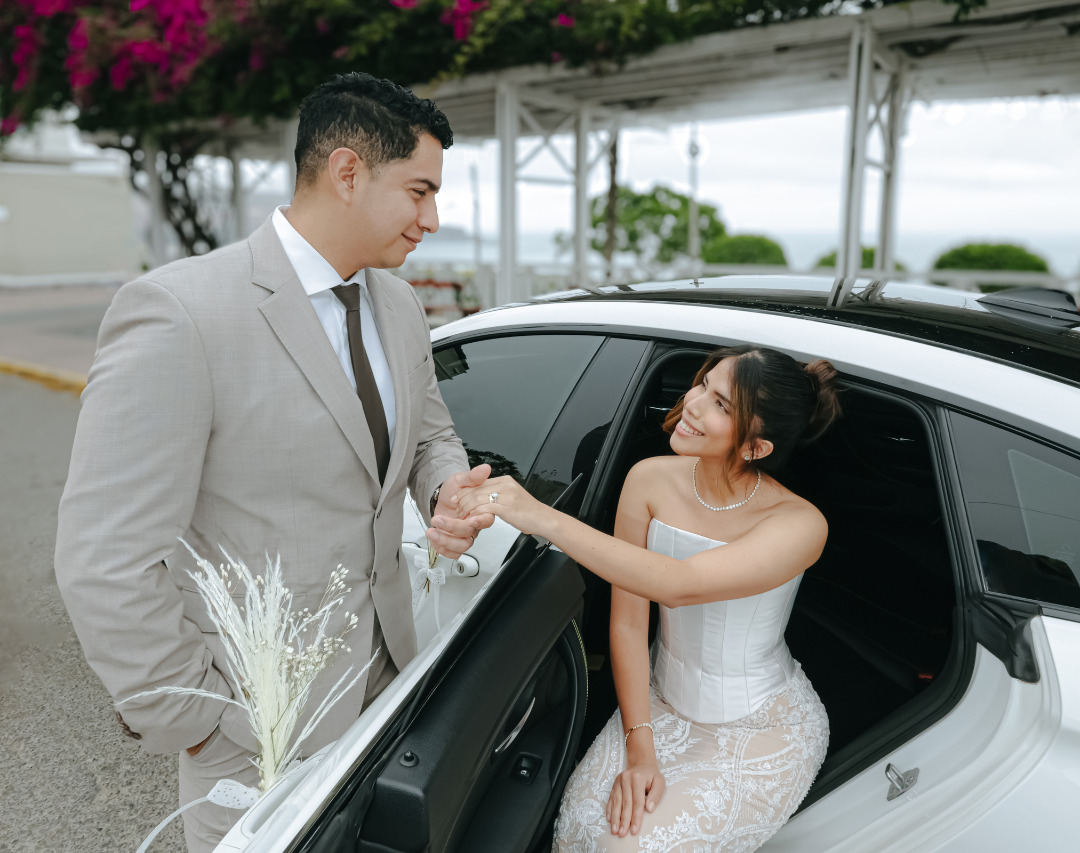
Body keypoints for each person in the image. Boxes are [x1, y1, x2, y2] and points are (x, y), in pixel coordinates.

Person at [54, 72, 491, 852]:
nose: (432, 219)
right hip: (255, 722)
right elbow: (103, 557)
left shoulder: (399, 304)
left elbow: (430, 436)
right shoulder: (180, 312)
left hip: (393, 682)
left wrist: (445, 490)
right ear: (348, 172)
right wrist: (200, 719)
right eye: (419, 191)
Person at [455, 345, 841, 852]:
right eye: (703, 384)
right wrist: (640, 745)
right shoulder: (648, 478)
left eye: (721, 405)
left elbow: (677, 584)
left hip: (759, 726)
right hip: (654, 701)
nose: (693, 403)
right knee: (581, 833)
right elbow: (630, 623)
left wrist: (541, 516)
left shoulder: (799, 524)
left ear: (755, 446)